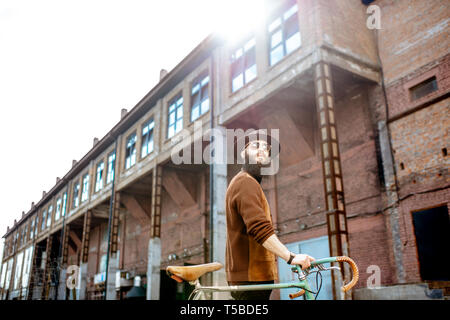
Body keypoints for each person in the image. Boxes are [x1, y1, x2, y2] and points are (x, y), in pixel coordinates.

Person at [225, 129, 315, 300]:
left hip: (252, 277)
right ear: (243, 153)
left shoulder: (248, 182)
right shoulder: (245, 182)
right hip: (250, 279)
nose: (262, 150)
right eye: (255, 145)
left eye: (266, 148)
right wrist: (291, 257)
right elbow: (259, 228)